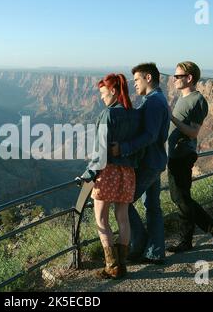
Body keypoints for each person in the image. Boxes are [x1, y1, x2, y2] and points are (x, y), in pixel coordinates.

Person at [79, 73, 145, 279]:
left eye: (103, 93)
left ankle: (112, 266)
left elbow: (100, 151)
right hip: (128, 172)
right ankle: (122, 264)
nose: (101, 97)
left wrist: (88, 174)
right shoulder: (134, 114)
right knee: (122, 218)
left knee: (101, 218)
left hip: (107, 172)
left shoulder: (108, 115)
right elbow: (140, 146)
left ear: (114, 91)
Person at [111, 63, 170, 264]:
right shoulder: (158, 99)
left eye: (136, 80)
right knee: (152, 207)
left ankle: (140, 241)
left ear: (148, 78)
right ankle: (155, 252)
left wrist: (124, 148)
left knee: (122, 202)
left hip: (149, 163)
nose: (134, 84)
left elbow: (150, 136)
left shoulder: (153, 102)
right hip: (157, 161)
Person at [167, 61, 213, 253]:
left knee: (180, 198)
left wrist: (171, 118)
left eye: (178, 76)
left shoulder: (197, 100)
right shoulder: (183, 98)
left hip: (183, 155)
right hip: (175, 153)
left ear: (189, 78)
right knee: (182, 197)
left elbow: (193, 132)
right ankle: (187, 240)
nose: (174, 79)